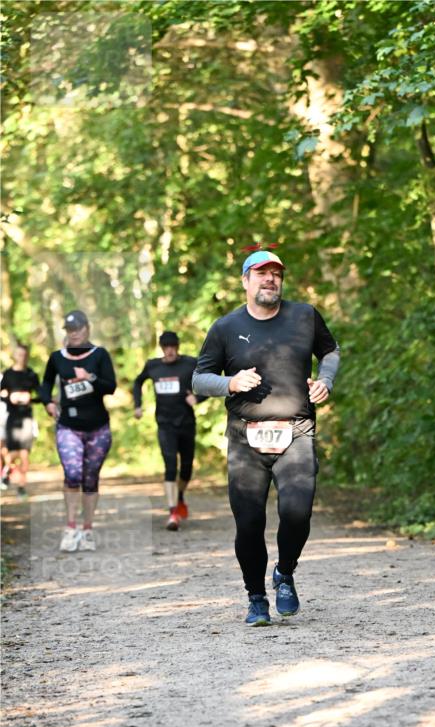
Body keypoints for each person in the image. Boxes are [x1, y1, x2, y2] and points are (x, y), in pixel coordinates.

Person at [193, 247, 340, 625]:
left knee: (297, 512)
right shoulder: (225, 327)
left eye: (276, 273)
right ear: (245, 281)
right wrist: (230, 383)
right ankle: (256, 598)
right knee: (249, 523)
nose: (270, 279)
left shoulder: (304, 316)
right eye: (261, 273)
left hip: (297, 431)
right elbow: (199, 379)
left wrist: (325, 380)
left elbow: (330, 352)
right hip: (246, 438)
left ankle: (285, 572)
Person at [40, 309, 116, 552]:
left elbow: (111, 387)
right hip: (68, 427)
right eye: (69, 330)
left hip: (98, 428)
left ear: (87, 329)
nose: (73, 334)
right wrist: (48, 402)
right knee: (73, 474)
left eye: (77, 329)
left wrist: (90, 378)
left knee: (90, 479)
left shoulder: (100, 354)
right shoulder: (57, 357)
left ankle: (88, 530)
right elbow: (45, 384)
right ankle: (70, 528)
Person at [132, 330, 202, 530]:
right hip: (165, 424)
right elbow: (138, 382)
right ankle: (173, 512)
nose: (170, 351)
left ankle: (179, 496)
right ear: (161, 348)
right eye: (166, 347)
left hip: (186, 423)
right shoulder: (153, 365)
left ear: (178, 347)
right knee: (170, 466)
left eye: (173, 347)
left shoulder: (190, 363)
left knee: (186, 469)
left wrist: (198, 398)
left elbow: (209, 380)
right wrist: (138, 405)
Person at [0, 343, 40, 498]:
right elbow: (1, 394)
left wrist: (30, 398)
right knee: (12, 453)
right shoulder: (8, 374)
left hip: (27, 418)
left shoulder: (31, 374)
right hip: (12, 418)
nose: (21, 358)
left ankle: (22, 487)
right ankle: (6, 470)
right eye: (19, 354)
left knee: (24, 454)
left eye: (24, 355)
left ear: (27, 356)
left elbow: (41, 395)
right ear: (15, 355)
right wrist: (10, 397)